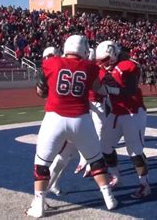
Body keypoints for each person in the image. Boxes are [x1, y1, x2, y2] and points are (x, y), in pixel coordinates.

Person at [26, 36, 117, 218]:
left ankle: (39, 205)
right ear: (83, 50)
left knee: (42, 163)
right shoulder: (90, 67)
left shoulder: (52, 62)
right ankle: (109, 197)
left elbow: (41, 91)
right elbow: (98, 88)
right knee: (96, 160)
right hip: (81, 119)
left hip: (55, 118)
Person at [96, 41, 150, 199]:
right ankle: (116, 176)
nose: (102, 63)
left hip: (133, 112)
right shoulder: (103, 68)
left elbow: (131, 90)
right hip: (116, 112)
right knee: (105, 146)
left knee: (135, 152)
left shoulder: (128, 65)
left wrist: (110, 89)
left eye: (105, 59)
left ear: (113, 54)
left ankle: (145, 185)